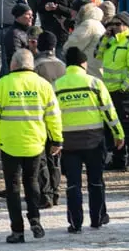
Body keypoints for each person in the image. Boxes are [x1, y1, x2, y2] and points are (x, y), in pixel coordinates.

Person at [0, 49, 62, 243]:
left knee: (12, 187)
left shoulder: (3, 84)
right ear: (32, 65)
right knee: (32, 182)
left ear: (13, 65)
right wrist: (57, 140)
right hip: (35, 143)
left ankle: (17, 230)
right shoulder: (43, 85)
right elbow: (53, 116)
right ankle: (35, 219)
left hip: (9, 143)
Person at [53, 47, 123, 232]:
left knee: (73, 184)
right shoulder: (94, 83)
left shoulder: (57, 86)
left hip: (68, 143)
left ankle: (75, 223)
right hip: (94, 140)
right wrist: (118, 134)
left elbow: (51, 116)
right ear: (84, 63)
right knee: (96, 181)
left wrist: (53, 140)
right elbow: (109, 111)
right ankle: (97, 218)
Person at [99, 13, 129, 171]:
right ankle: (118, 158)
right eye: (112, 24)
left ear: (126, 25)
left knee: (128, 126)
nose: (114, 27)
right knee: (113, 126)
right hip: (110, 90)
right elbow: (97, 55)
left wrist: (124, 87)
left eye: (117, 24)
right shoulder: (111, 41)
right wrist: (105, 37)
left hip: (125, 92)